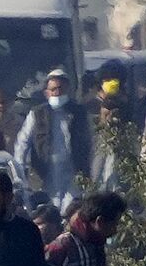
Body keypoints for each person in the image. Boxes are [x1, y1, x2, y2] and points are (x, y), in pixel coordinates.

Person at [14, 71, 92, 208]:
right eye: (53, 89)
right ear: (46, 93)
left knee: (72, 206)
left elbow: (90, 140)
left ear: (67, 89)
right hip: (45, 170)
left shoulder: (79, 112)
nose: (57, 92)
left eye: (60, 88)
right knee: (48, 206)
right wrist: (20, 170)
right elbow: (23, 142)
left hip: (73, 168)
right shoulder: (37, 113)